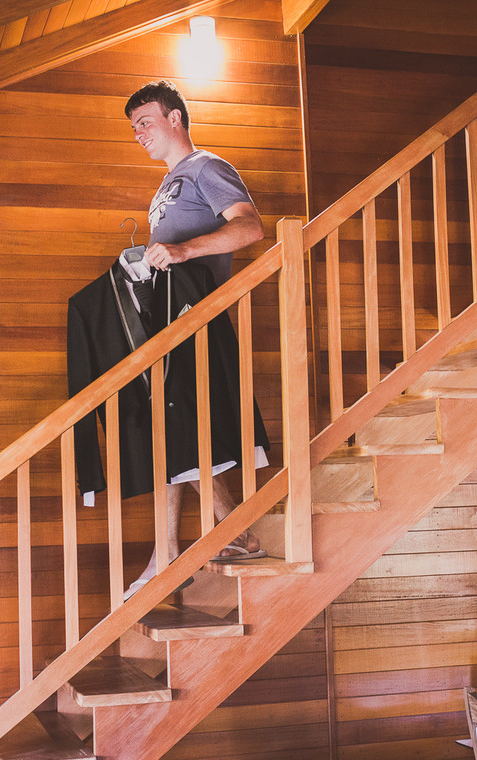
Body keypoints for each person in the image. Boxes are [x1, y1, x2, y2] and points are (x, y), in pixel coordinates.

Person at [122, 79, 267, 600]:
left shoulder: (206, 167)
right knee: (168, 431)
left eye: (145, 121)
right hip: (167, 321)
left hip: (196, 318)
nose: (139, 133)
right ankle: (177, 549)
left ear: (175, 118)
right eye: (133, 127)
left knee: (178, 429)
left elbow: (250, 228)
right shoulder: (164, 188)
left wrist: (183, 252)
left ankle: (230, 533)